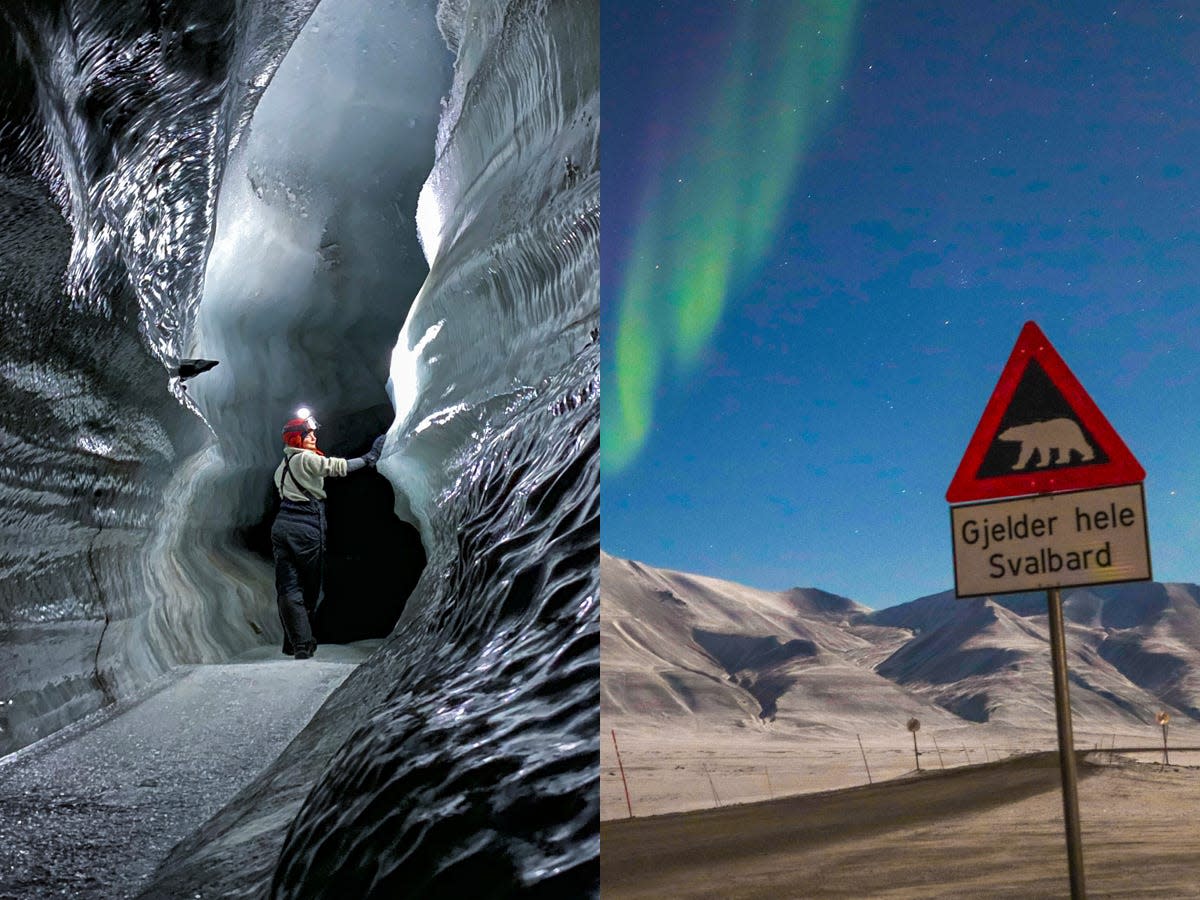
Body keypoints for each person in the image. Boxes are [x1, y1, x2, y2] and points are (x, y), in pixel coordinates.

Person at [271, 412, 385, 659]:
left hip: (282, 525)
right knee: (309, 589)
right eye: (307, 434)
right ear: (296, 439)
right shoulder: (306, 459)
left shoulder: (282, 467)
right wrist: (368, 459)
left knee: (288, 586)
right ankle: (302, 642)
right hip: (306, 524)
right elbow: (335, 467)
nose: (313, 437)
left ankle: (294, 643)